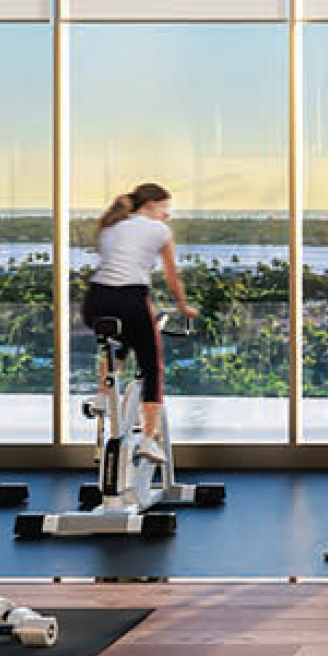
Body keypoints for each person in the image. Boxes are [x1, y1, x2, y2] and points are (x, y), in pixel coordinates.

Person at [86, 182, 199, 458]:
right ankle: (149, 439)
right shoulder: (159, 230)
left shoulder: (110, 225)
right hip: (131, 299)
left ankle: (102, 396)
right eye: (164, 209)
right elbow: (172, 276)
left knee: (120, 341)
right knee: (152, 366)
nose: (167, 215)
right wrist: (184, 306)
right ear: (150, 206)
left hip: (96, 301)